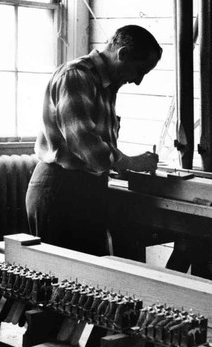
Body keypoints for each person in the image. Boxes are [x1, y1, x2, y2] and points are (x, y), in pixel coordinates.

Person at [26, 24, 161, 255]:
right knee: (63, 282)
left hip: (85, 191)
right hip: (60, 190)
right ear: (123, 55)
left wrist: (117, 165)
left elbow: (98, 152)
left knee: (88, 282)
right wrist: (130, 162)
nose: (138, 81)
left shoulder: (106, 85)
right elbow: (84, 144)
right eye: (140, 71)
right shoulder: (76, 76)